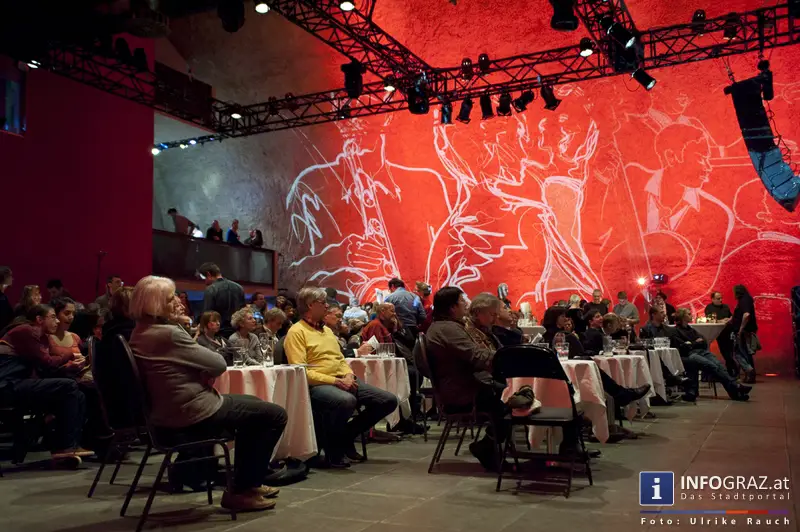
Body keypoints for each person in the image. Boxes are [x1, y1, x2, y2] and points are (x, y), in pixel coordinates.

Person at [129, 275, 287, 512]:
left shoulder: (141, 331)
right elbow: (217, 364)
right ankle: (242, 490)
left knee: (254, 406)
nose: (179, 303)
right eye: (172, 299)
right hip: (192, 411)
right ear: (156, 303)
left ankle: (248, 484)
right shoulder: (168, 333)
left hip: (170, 410)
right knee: (274, 415)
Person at [283, 287, 397, 468]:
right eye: (323, 303)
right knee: (346, 401)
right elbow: (301, 371)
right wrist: (336, 381)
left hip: (342, 378)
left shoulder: (327, 331)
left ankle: (346, 436)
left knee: (388, 400)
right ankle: (334, 449)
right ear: (311, 305)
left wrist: (348, 374)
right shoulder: (296, 332)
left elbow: (340, 359)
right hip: (318, 385)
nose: (327, 306)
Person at [0, 304, 92, 459]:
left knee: (78, 393)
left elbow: (47, 367)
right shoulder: (26, 331)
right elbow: (47, 362)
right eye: (53, 317)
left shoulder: (42, 336)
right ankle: (65, 446)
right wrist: (70, 354)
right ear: (39, 319)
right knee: (68, 385)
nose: (57, 321)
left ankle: (66, 446)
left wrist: (72, 366)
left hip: (19, 382)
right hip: (7, 384)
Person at [672, 308, 752, 402]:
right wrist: (695, 343)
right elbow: (684, 347)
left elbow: (704, 342)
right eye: (689, 314)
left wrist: (692, 343)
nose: (691, 315)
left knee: (719, 366)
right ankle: (736, 388)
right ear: (683, 317)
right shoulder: (676, 331)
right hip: (691, 355)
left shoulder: (691, 329)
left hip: (701, 351)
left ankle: (735, 393)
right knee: (712, 366)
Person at [199, 262, 245, 336]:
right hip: (238, 333)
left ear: (208, 274)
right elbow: (244, 312)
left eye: (203, 278)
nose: (204, 282)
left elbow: (207, 315)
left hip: (218, 334)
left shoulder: (210, 289)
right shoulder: (239, 287)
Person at [704, 291, 736, 376]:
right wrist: (721, 321)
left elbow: (731, 316)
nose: (721, 300)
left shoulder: (725, 307)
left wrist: (729, 320)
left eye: (721, 298)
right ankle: (733, 369)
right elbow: (709, 319)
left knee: (730, 352)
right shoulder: (709, 308)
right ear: (713, 299)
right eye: (718, 298)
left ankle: (731, 371)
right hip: (719, 332)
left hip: (728, 331)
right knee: (724, 352)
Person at [730, 284, 758, 383]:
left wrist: (741, 329)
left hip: (744, 331)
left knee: (741, 352)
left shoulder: (744, 300)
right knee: (744, 352)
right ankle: (750, 373)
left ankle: (749, 372)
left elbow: (746, 314)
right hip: (745, 330)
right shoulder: (746, 299)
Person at [0, 266, 12, 331]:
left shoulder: (4, 296)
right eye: (10, 276)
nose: (12, 279)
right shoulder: (1, 298)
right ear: (4, 277)